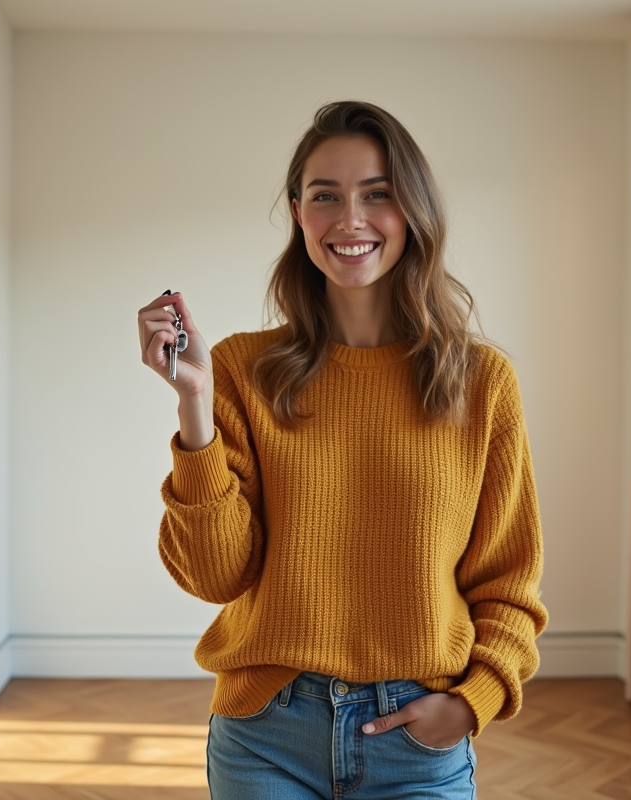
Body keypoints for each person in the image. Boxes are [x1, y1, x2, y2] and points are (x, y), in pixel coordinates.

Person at [136, 100, 547, 799]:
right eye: (326, 196)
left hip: (417, 736)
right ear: (299, 214)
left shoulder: (481, 382)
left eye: (377, 194)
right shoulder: (239, 368)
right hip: (267, 733)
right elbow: (214, 576)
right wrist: (194, 404)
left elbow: (509, 581)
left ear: (413, 211)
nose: (350, 219)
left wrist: (470, 702)